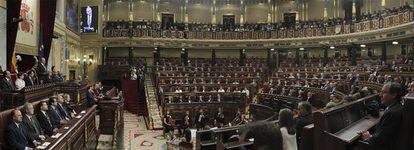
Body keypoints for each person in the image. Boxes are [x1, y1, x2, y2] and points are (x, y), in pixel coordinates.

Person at [360, 82, 403, 150]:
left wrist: (368, 137)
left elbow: (378, 141)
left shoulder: (392, 113)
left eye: (384, 92)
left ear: (394, 95)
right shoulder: (397, 107)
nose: (380, 95)